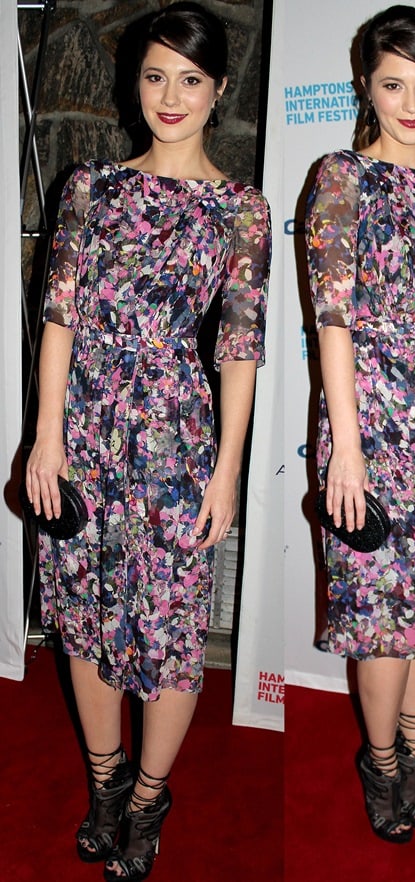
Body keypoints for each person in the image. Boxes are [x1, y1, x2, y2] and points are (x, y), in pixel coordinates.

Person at [24, 3, 270, 880]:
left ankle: (148, 795)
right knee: (85, 619)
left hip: (176, 440)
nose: (171, 95)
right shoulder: (89, 186)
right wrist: (45, 436)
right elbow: (58, 315)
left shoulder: (243, 210)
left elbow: (239, 349)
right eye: (156, 74)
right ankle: (103, 780)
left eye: (191, 79)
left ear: (219, 92)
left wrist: (228, 472)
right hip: (84, 432)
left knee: (167, 629)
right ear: (136, 83)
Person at [306, 4, 415, 844]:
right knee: (379, 615)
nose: (411, 102)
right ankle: (379, 762)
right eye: (393, 83)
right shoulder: (342, 177)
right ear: (366, 89)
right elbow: (331, 319)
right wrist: (347, 450)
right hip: (366, 437)